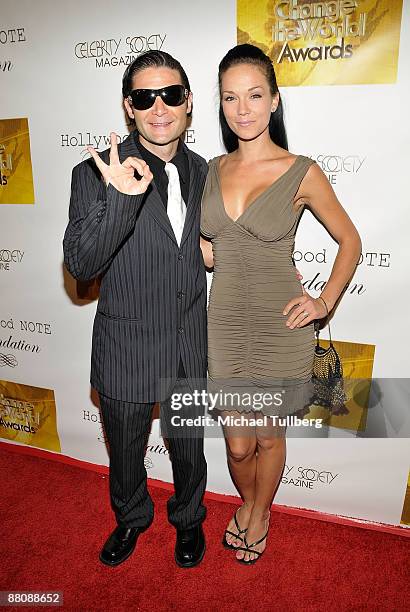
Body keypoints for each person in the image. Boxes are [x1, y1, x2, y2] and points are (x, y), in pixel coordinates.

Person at [200, 44, 361, 564]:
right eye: (230, 98)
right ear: (221, 105)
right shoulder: (211, 170)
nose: (242, 108)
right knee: (237, 446)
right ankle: (248, 500)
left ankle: (259, 512)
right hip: (223, 327)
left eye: (253, 95)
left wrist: (324, 302)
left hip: (279, 326)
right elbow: (209, 248)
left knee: (268, 441)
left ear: (273, 100)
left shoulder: (301, 171)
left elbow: (350, 241)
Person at [63, 50, 208, 568]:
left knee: (189, 449)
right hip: (126, 345)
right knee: (125, 454)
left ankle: (189, 520)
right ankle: (131, 519)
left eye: (171, 94)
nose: (159, 107)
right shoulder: (93, 173)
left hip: (190, 342)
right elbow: (80, 264)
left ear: (188, 102)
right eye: (145, 97)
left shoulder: (204, 172)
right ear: (129, 106)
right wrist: (121, 197)